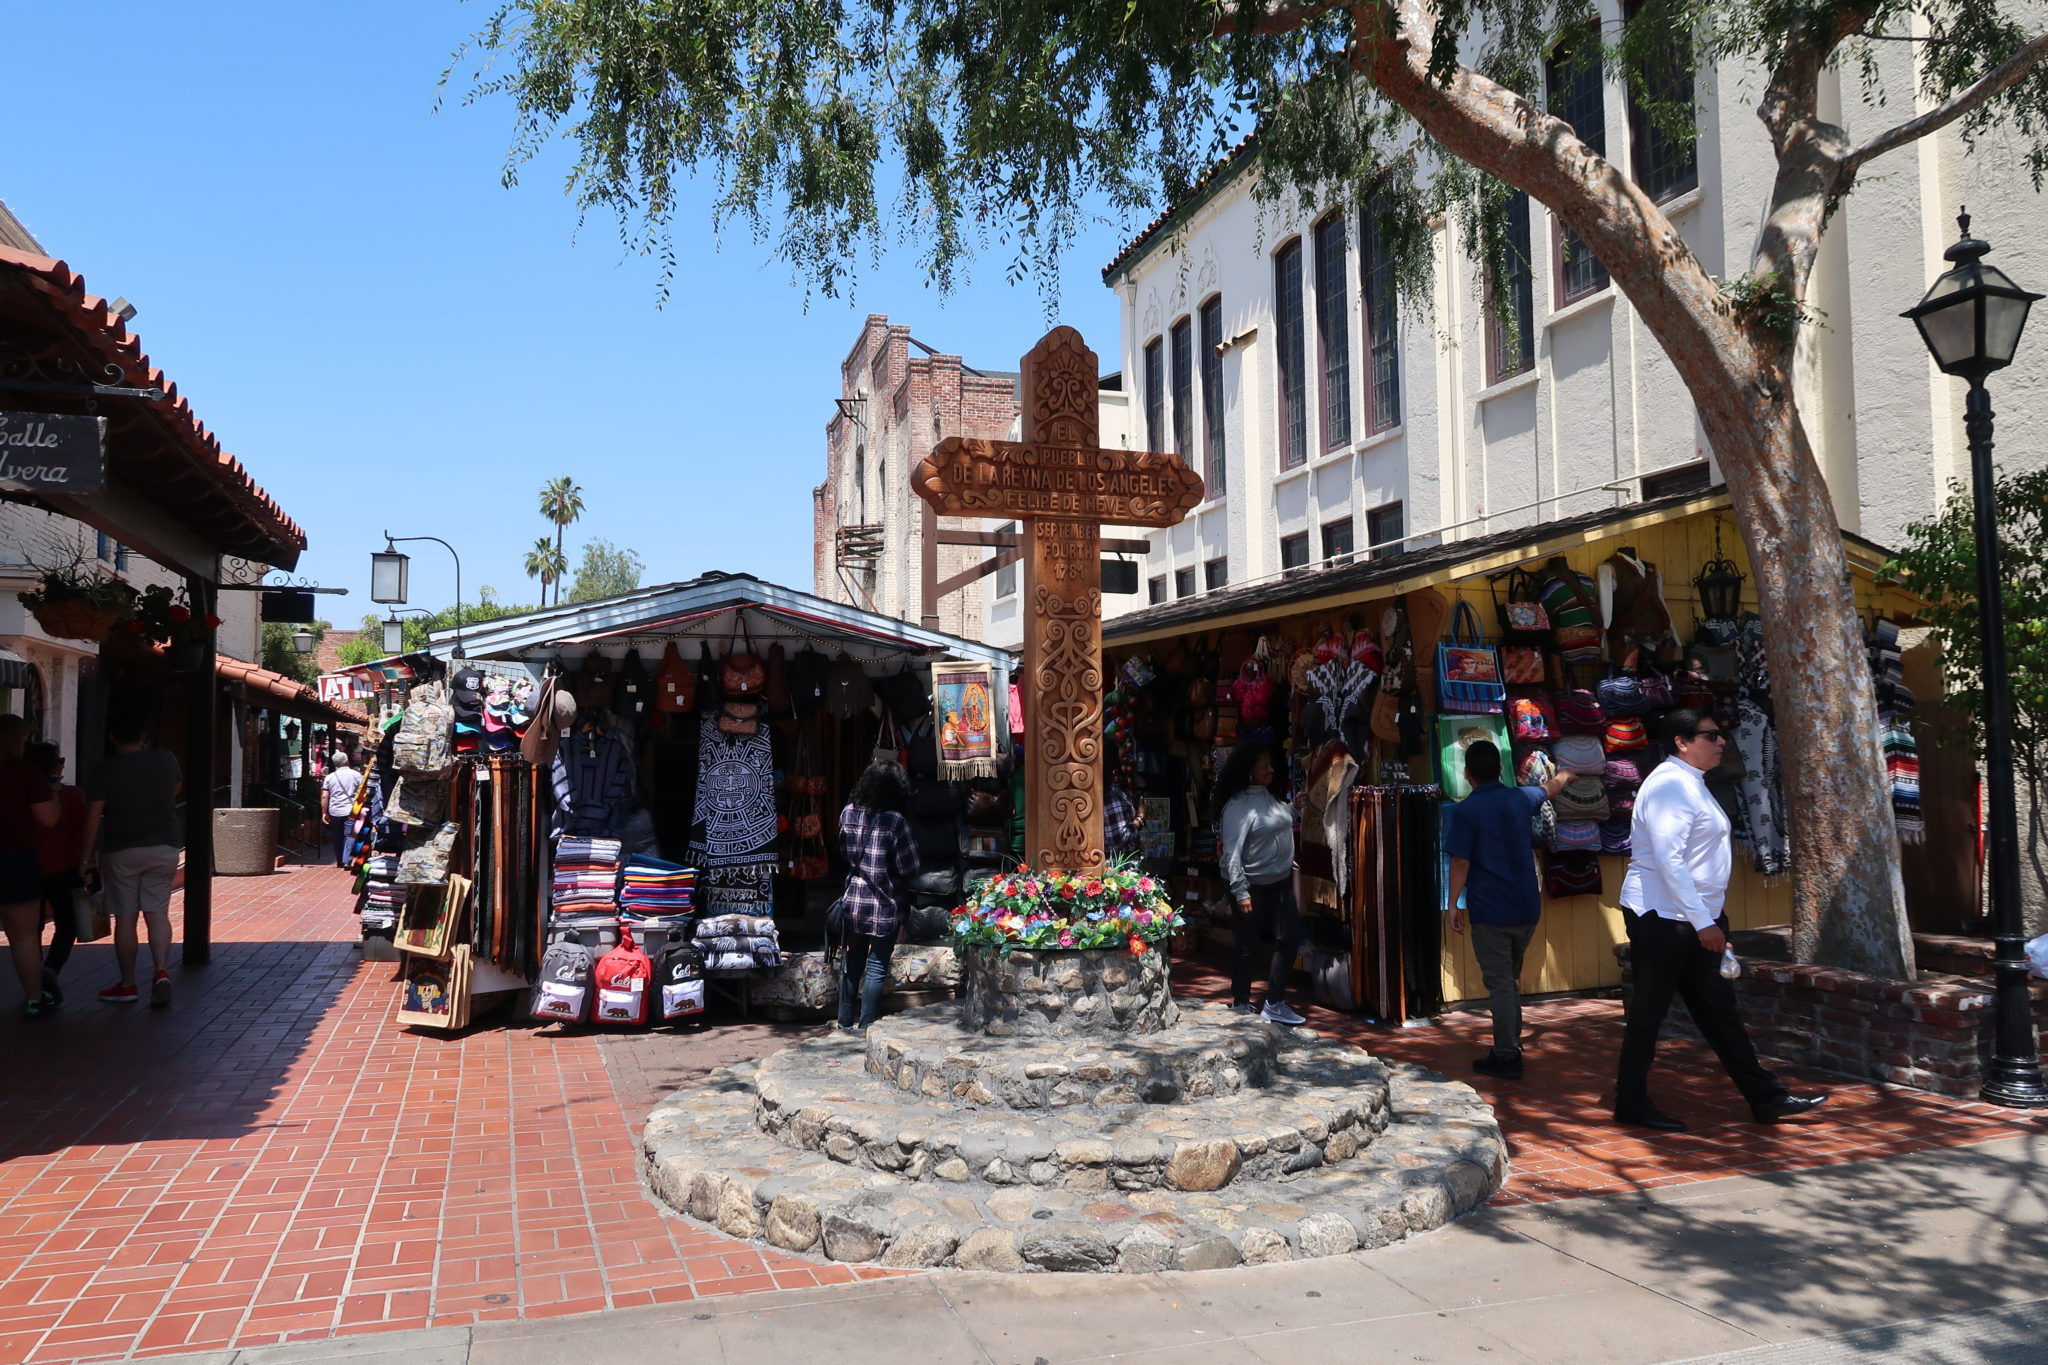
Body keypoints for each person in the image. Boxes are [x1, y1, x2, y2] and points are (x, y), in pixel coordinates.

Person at [1615, 707, 1827, 1131]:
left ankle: (1766, 1098)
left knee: (1719, 1012)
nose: (1720, 742)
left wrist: (1709, 920)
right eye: (1711, 735)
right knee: (1648, 1015)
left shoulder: (1692, 784)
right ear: (1681, 741)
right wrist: (1703, 923)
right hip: (1665, 917)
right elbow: (1669, 861)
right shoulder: (1670, 786)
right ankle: (1631, 1103)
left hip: (1695, 917)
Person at [1445, 740, 1571, 1079]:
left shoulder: (1466, 811)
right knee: (1508, 980)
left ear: (1467, 774)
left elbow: (1460, 861)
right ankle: (1511, 1040)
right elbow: (1551, 787)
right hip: (1526, 906)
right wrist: (1569, 772)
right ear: (1500, 769)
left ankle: (1506, 1055)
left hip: (1492, 908)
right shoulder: (1520, 797)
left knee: (1500, 983)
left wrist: (1454, 902)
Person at [81, 717, 183, 1007]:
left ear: (113, 737)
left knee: (126, 917)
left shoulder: (106, 770)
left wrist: (85, 857)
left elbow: (93, 817)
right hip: (163, 848)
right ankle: (161, 972)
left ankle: (127, 984)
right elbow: (176, 789)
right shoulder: (165, 758)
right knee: (157, 913)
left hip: (122, 850)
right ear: (143, 735)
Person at [1217, 740, 1306, 1025]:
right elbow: (1232, 852)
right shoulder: (1237, 807)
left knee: (1290, 936)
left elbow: (1277, 819)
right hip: (1251, 886)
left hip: (1279, 881)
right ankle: (1241, 1002)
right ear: (1249, 771)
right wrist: (1240, 891)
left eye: (1270, 763)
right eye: (1264, 765)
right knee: (1247, 944)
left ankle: (1275, 1002)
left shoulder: (1269, 796)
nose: (1271, 769)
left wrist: (1294, 809)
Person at [835, 758, 921, 1032]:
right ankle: (868, 1027)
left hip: (854, 901)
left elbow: (843, 852)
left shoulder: (848, 812)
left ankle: (843, 1022)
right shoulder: (895, 821)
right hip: (884, 903)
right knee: (876, 967)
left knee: (852, 963)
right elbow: (911, 866)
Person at [0, 716, 61, 1018]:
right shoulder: (27, 773)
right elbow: (48, 818)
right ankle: (35, 998)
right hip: (16, 859)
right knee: (23, 935)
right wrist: (53, 790)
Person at [26, 743, 86, 1004]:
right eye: (60, 760)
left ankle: (34, 980)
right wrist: (89, 864)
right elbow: (81, 832)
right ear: (54, 766)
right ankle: (50, 970)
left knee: (30, 929)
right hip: (64, 867)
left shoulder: (20, 797)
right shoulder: (72, 795)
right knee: (67, 923)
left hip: (27, 866)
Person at [323, 753, 362, 868]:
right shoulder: (356, 775)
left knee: (337, 836)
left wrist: (324, 812)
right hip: (351, 810)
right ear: (347, 761)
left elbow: (325, 796)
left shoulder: (329, 777)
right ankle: (347, 859)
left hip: (335, 811)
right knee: (350, 835)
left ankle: (340, 860)